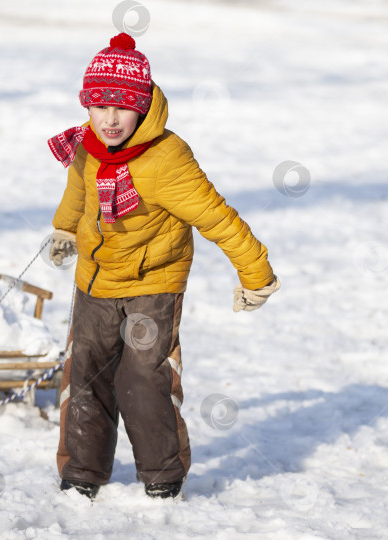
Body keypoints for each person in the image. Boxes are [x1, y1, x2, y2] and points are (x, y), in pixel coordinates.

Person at [47, 32, 280, 500]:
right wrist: (66, 228)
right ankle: (81, 475)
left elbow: (217, 216)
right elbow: (80, 187)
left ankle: (162, 478)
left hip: (152, 283)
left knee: (143, 377)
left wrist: (256, 274)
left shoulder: (166, 160)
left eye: (123, 107)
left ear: (143, 106)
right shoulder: (89, 145)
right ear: (87, 106)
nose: (110, 119)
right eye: (99, 106)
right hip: (94, 280)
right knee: (84, 374)